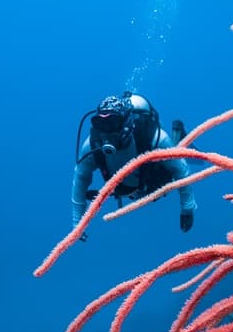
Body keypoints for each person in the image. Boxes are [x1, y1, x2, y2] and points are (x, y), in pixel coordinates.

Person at [72, 91, 197, 241]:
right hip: (127, 188)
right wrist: (78, 222)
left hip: (156, 180)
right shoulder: (93, 145)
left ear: (126, 123)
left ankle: (178, 136)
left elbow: (180, 170)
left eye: (113, 123)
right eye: (100, 124)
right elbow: (81, 178)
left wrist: (187, 209)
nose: (107, 131)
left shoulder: (154, 137)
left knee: (176, 157)